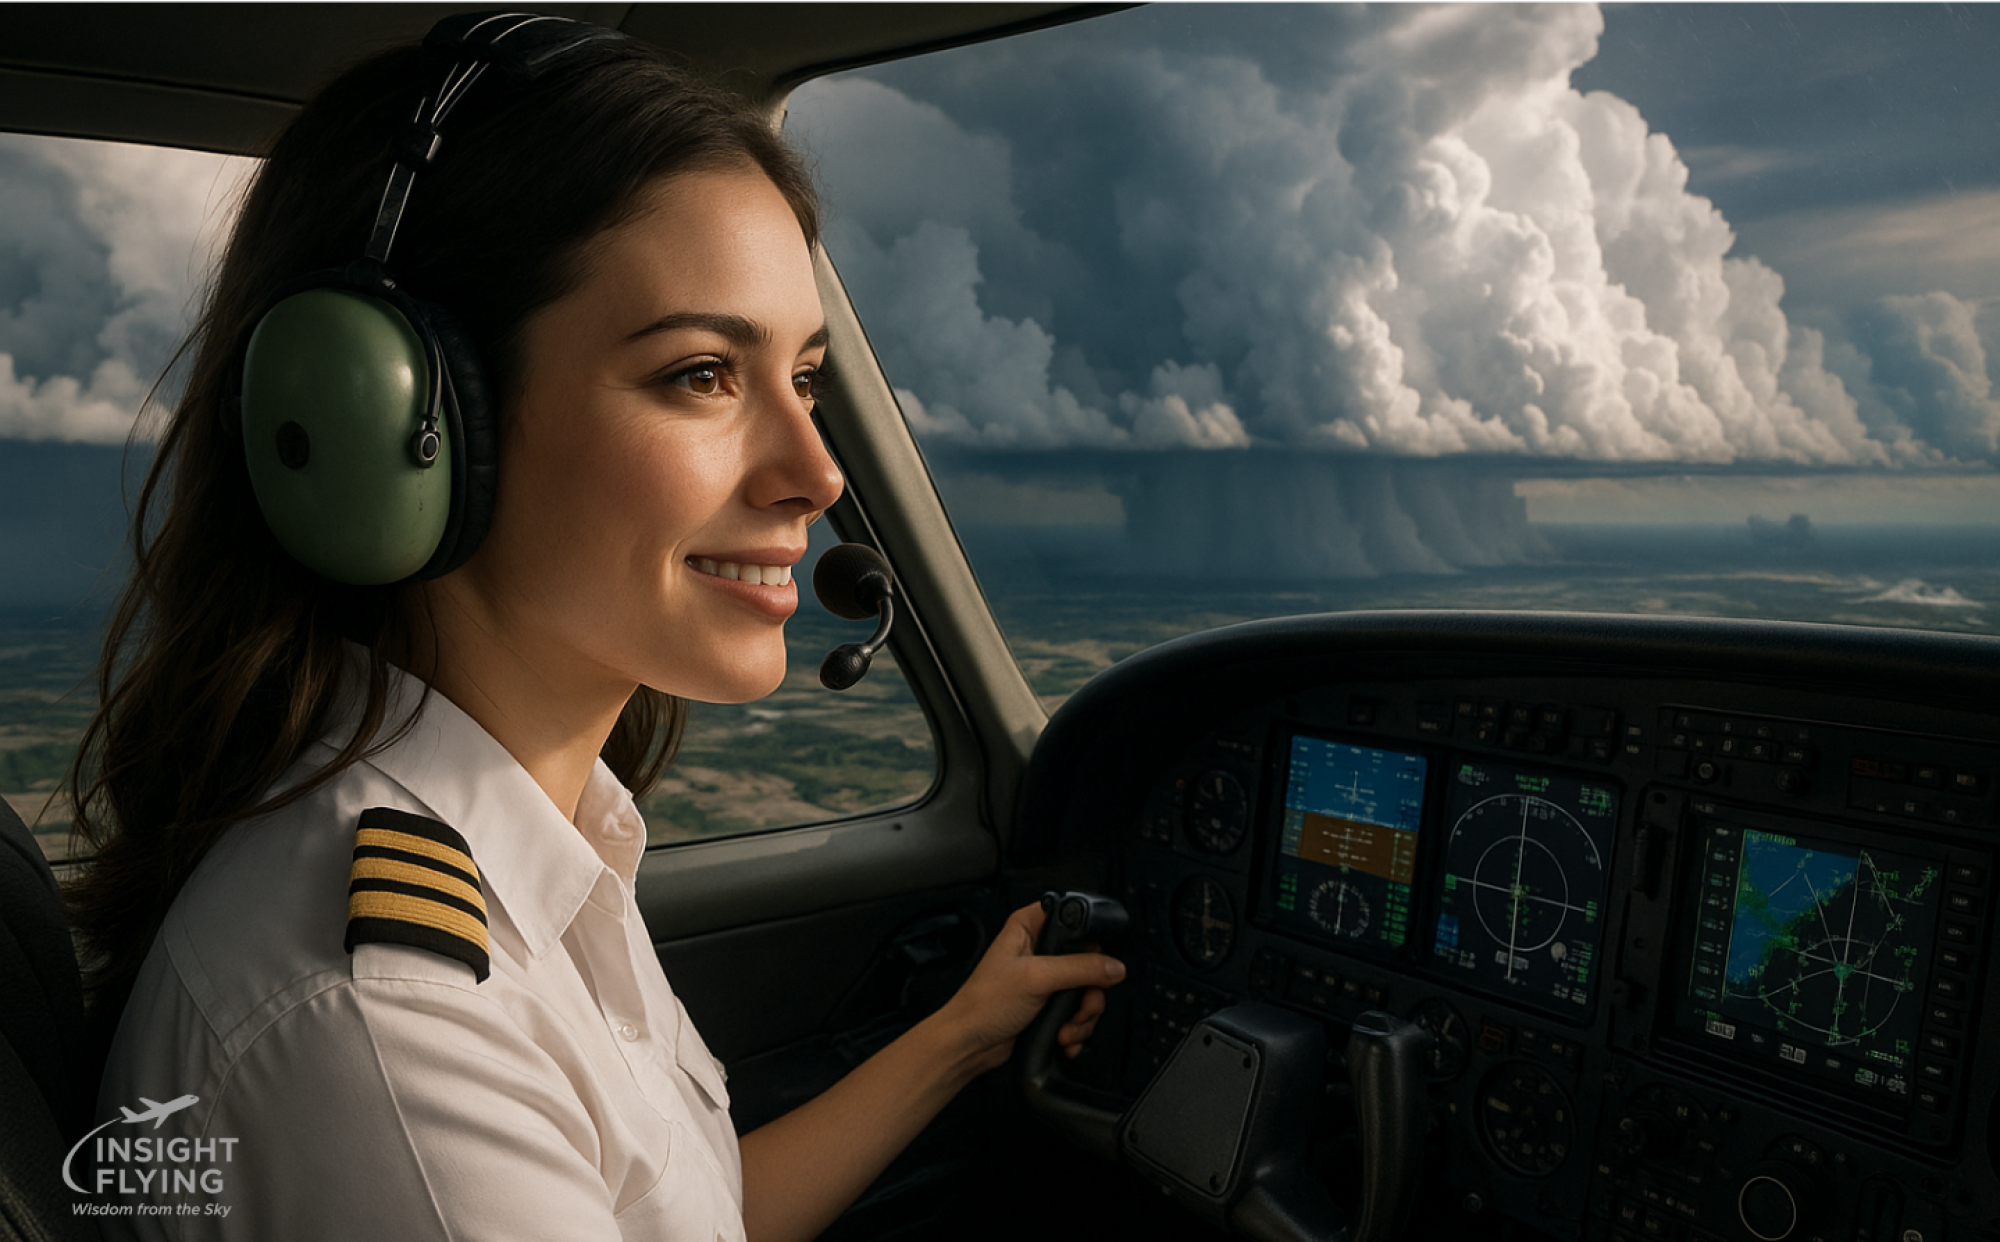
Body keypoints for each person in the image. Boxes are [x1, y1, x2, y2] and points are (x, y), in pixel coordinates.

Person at [64, 15, 1122, 1241]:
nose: (816, 473)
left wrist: (956, 1042)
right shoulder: (386, 1028)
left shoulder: (522, 838)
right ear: (402, 424)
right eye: (700, 375)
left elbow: (688, 1214)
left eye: (806, 376)